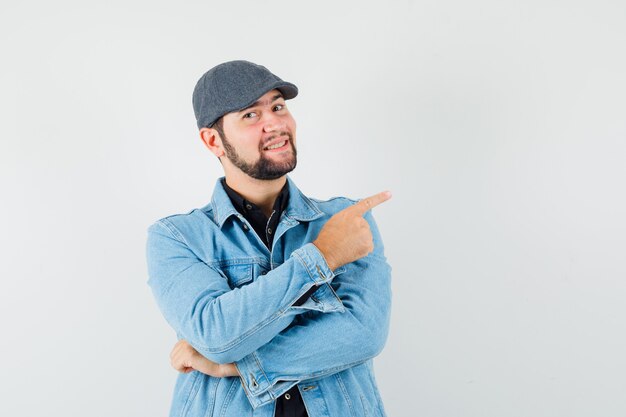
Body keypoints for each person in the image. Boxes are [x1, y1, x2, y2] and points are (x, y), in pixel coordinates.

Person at [146, 60, 392, 417]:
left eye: (278, 106)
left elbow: (363, 334)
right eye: (250, 115)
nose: (275, 123)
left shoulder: (346, 220)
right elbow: (218, 336)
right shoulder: (177, 238)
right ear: (213, 140)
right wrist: (321, 258)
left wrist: (231, 366)